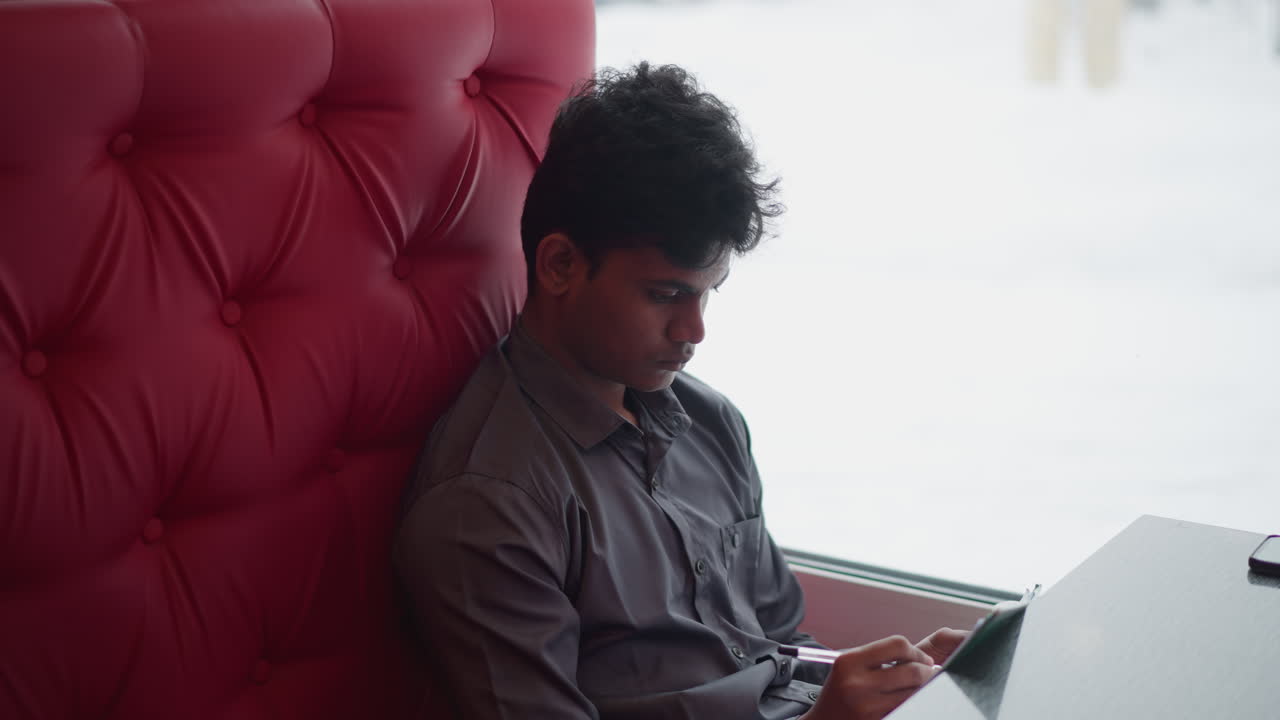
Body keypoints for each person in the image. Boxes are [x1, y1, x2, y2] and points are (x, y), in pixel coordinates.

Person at [394, 61, 966, 720]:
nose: (695, 331)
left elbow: (782, 647)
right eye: (665, 294)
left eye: (708, 293)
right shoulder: (488, 507)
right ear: (560, 265)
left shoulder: (710, 421)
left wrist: (901, 685)